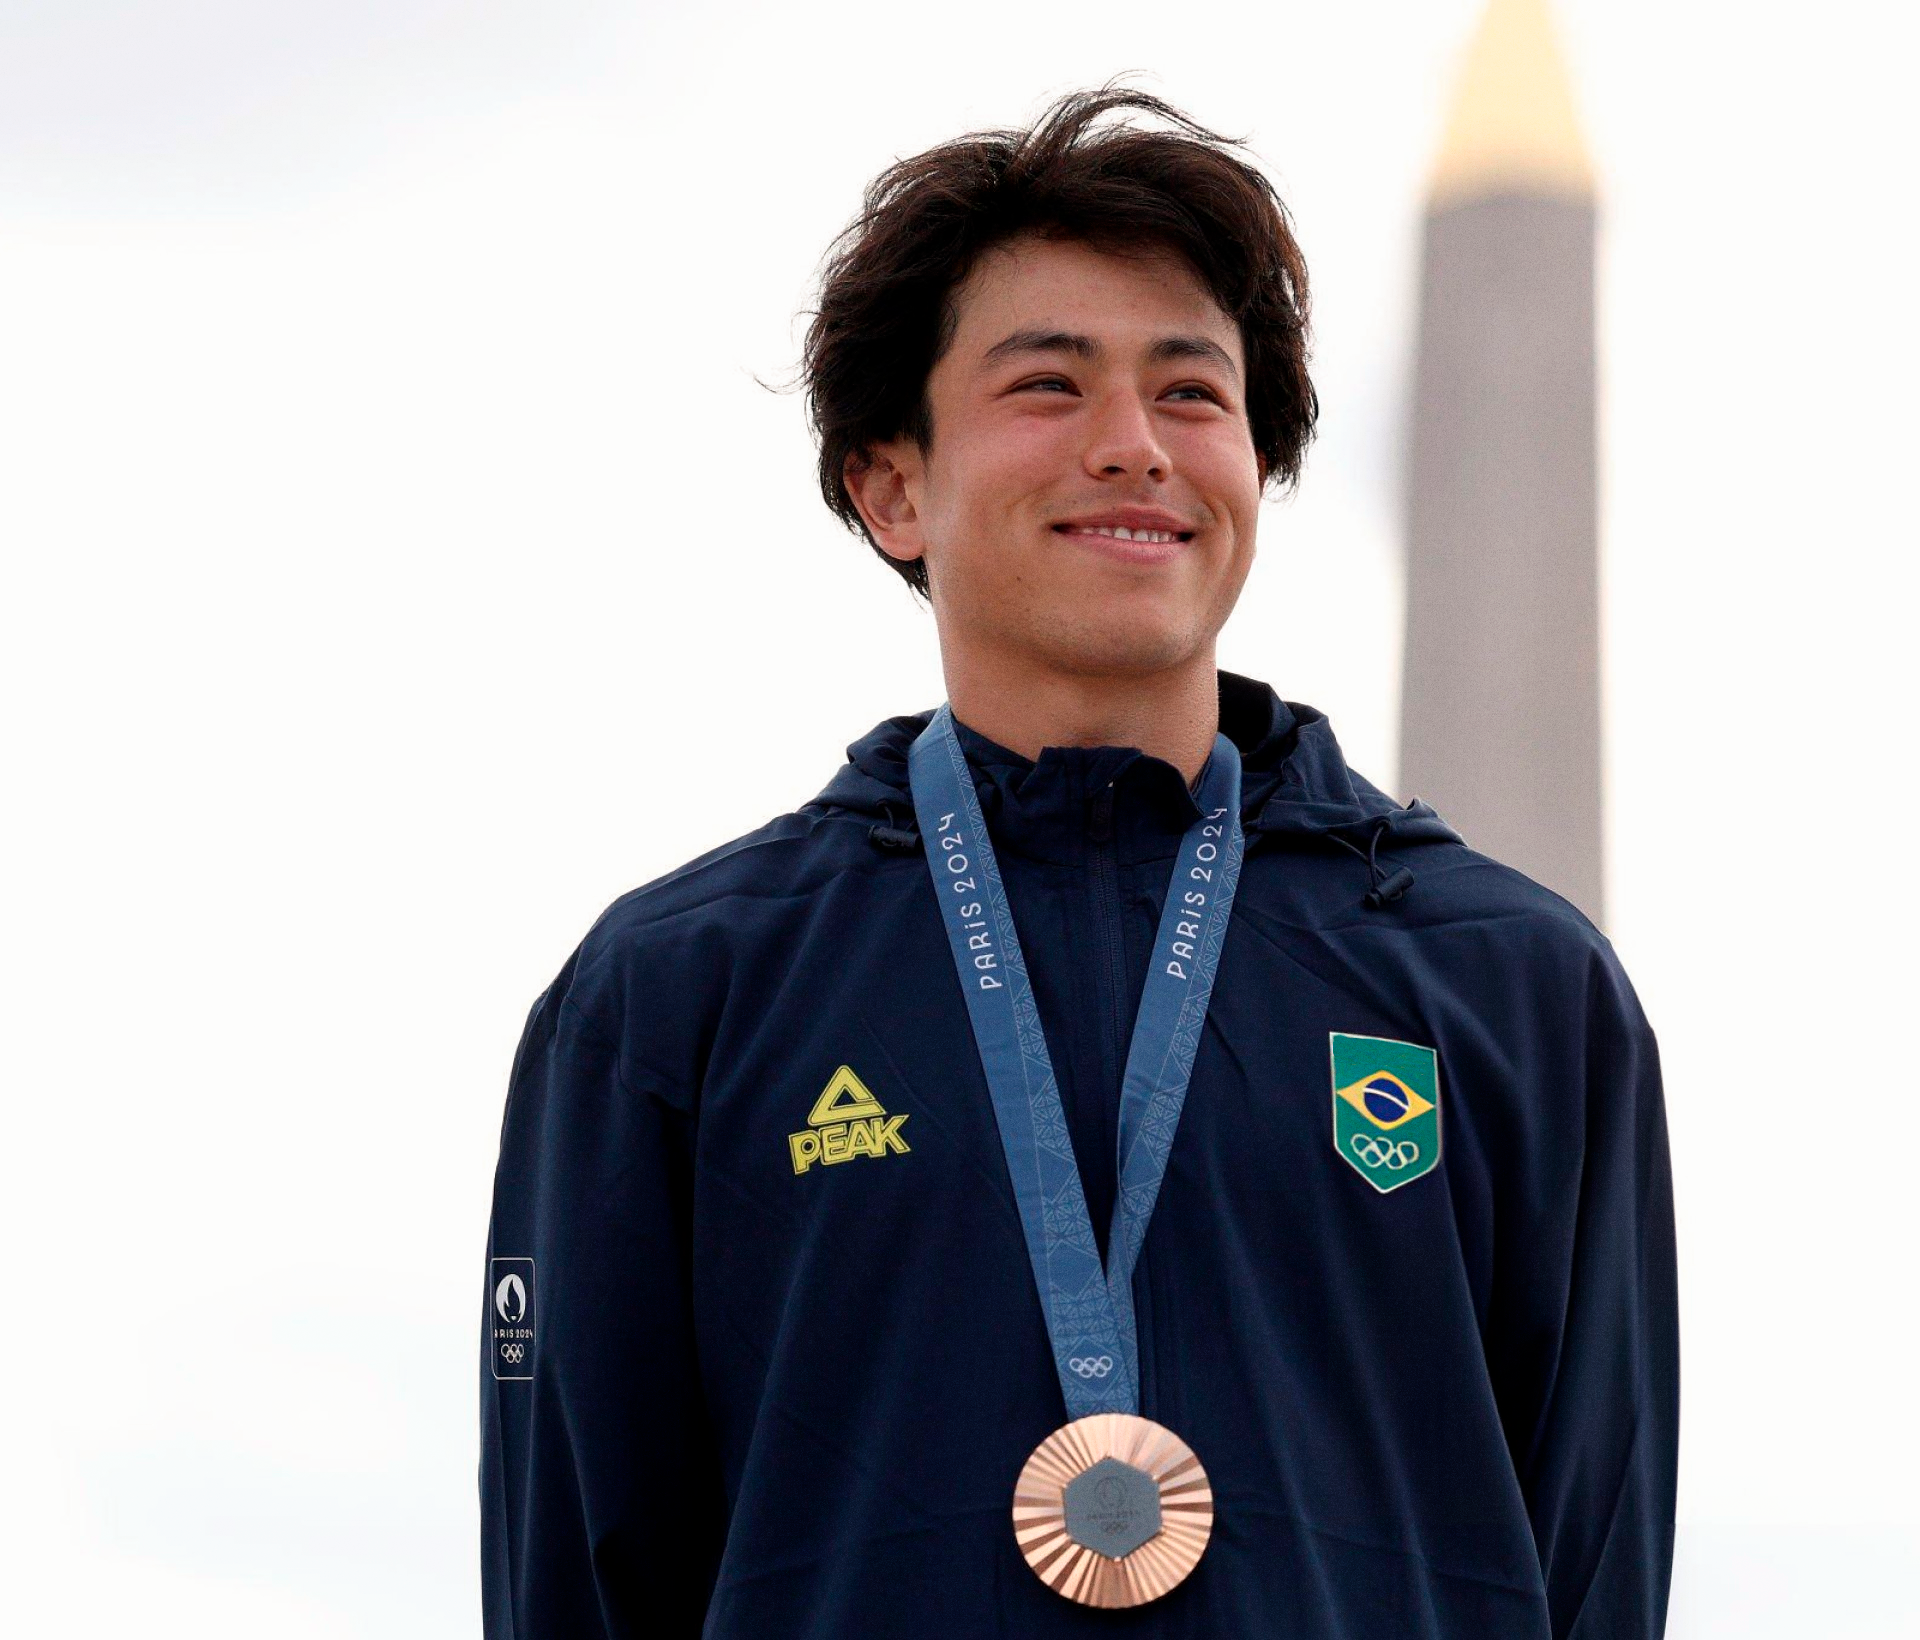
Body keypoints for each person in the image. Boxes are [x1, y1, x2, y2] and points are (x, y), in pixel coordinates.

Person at [480, 84, 1677, 1639]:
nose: (1134, 448)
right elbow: (579, 1578)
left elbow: (1593, 1575)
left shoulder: (1515, 988)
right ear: (891, 482)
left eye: (1193, 395)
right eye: (1048, 386)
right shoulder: (673, 997)